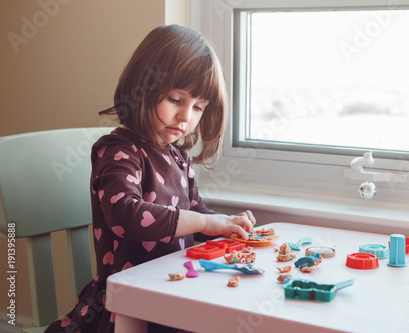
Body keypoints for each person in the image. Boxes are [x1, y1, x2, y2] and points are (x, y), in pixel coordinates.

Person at [45, 24, 256, 333]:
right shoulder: (118, 150)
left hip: (172, 293)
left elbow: (196, 213)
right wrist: (207, 224)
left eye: (198, 107)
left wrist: (227, 224)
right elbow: (125, 216)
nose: (187, 117)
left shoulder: (178, 156)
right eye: (175, 99)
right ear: (141, 89)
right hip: (127, 305)